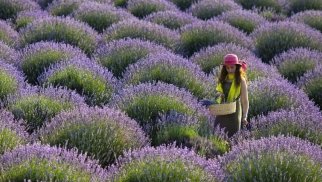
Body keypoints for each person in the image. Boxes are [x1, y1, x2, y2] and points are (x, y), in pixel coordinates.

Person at [213, 53, 249, 137]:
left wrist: (244, 116)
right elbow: (217, 92)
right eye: (227, 67)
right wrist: (218, 95)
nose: (230, 70)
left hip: (234, 111)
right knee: (217, 134)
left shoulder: (241, 80)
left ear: (237, 66)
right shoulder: (222, 79)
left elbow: (245, 100)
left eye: (232, 67)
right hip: (222, 109)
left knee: (233, 136)